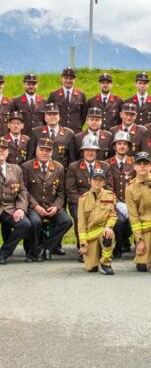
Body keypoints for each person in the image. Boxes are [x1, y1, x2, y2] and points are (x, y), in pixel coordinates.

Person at [22, 137, 72, 261]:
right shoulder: (27, 167)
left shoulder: (58, 167)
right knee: (35, 222)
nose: (45, 152)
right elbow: (24, 191)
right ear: (36, 150)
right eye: (42, 149)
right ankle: (33, 251)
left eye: (48, 150)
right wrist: (36, 206)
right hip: (33, 207)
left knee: (66, 221)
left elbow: (61, 192)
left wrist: (56, 206)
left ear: (52, 152)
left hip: (51, 206)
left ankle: (44, 247)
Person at [65, 135, 113, 257]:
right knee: (79, 217)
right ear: (82, 151)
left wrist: (99, 203)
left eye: (93, 150)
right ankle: (82, 248)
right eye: (87, 150)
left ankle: (103, 247)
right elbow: (70, 190)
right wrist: (84, 203)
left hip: (102, 202)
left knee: (111, 217)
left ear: (97, 151)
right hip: (79, 202)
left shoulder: (105, 166)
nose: (90, 153)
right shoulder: (74, 167)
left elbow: (109, 188)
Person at [78, 167, 117, 275]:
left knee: (108, 236)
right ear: (89, 180)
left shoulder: (111, 196)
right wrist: (83, 243)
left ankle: (106, 263)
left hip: (103, 230)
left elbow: (113, 215)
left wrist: (109, 226)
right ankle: (95, 259)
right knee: (91, 268)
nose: (98, 182)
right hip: (90, 234)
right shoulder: (83, 199)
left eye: (100, 180)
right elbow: (81, 223)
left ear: (104, 182)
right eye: (95, 179)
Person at [0, 136, 31, 265]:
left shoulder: (16, 169)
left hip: (9, 208)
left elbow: (23, 191)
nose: (1, 151)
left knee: (25, 224)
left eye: (3, 149)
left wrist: (20, 208)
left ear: (7, 152)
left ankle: (3, 253)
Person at [106, 131, 136, 257]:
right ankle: (118, 247)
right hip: (114, 202)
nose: (122, 146)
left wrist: (131, 203)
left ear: (128, 147)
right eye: (119, 144)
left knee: (133, 220)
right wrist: (117, 203)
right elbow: (107, 187)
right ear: (114, 146)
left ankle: (123, 241)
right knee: (119, 222)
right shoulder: (107, 163)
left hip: (132, 202)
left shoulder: (135, 163)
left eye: (125, 144)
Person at [28, 102, 76, 169]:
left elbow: (72, 159)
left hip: (61, 172)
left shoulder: (69, 133)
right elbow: (30, 157)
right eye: (49, 114)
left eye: (55, 114)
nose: (52, 116)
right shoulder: (36, 132)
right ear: (45, 117)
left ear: (59, 116)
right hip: (40, 171)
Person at [47, 67, 86, 133]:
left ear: (74, 80)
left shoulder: (81, 95)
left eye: (71, 78)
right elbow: (47, 113)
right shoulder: (54, 95)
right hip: (59, 131)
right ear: (62, 78)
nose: (68, 81)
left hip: (76, 131)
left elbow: (84, 114)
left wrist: (77, 125)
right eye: (66, 78)